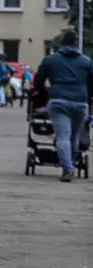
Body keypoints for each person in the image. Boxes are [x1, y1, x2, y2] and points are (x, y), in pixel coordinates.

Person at [34, 30, 93, 181]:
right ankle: (71, 164)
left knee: (63, 136)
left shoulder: (50, 60)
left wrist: (46, 92)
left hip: (58, 100)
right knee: (74, 137)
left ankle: (68, 168)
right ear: (75, 43)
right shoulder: (86, 62)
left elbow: (37, 82)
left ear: (62, 43)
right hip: (80, 103)